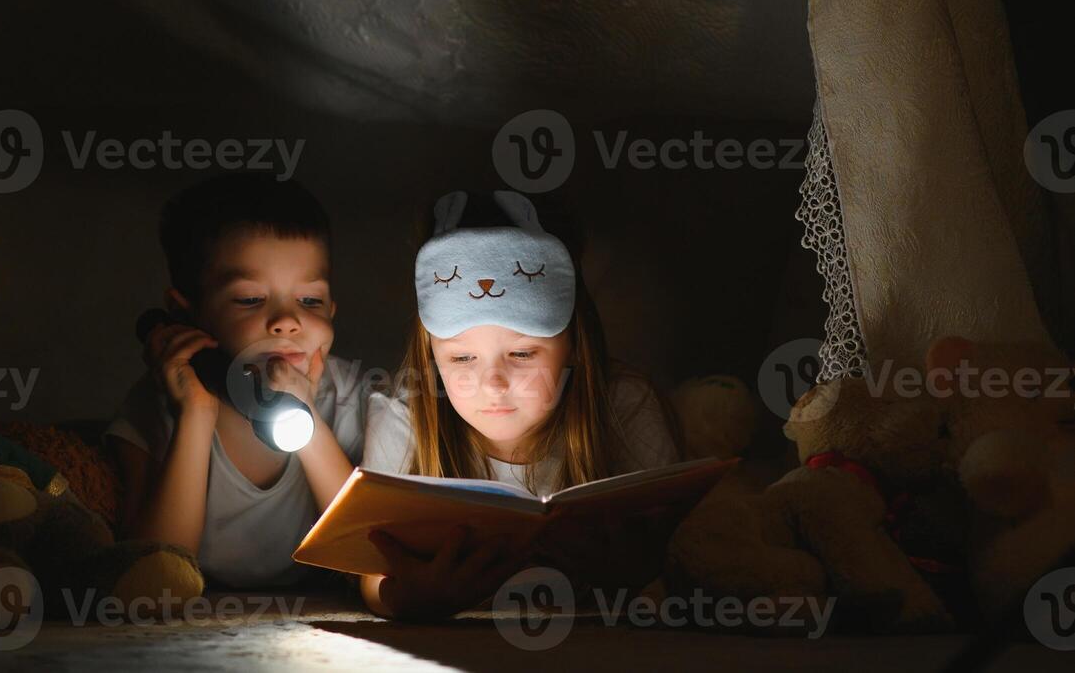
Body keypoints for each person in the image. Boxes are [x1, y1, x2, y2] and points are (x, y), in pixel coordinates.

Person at [360, 189, 681, 618]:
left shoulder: (625, 405)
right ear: (431, 355)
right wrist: (411, 598)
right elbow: (372, 573)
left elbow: (672, 554)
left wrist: (635, 575)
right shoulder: (405, 416)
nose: (493, 384)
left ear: (572, 345)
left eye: (523, 354)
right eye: (462, 358)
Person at [104, 174, 364, 587]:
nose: (287, 322)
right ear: (185, 315)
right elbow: (156, 578)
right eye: (250, 300)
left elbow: (367, 556)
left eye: (309, 300)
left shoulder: (354, 402)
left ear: (331, 309)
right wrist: (196, 414)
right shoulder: (155, 408)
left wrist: (307, 418)